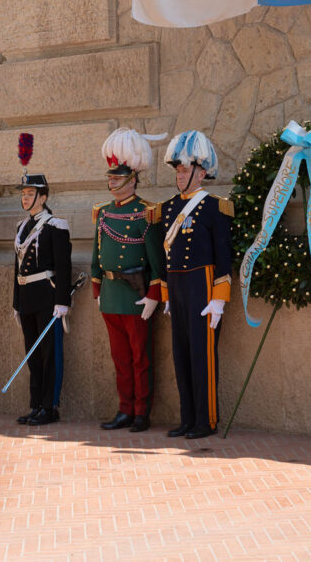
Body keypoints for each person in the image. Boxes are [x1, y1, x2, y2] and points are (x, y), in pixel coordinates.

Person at [157, 130, 233, 440]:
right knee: (181, 354)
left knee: (203, 357)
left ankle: (207, 420)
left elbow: (224, 256)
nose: (179, 175)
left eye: (185, 170)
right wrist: (165, 295)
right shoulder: (169, 208)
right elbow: (165, 257)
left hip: (203, 286)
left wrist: (220, 298)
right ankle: (187, 417)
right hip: (177, 286)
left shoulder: (215, 207)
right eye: (177, 170)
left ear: (200, 173)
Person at [91, 128, 166, 433]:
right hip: (111, 295)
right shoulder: (104, 212)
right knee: (120, 359)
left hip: (136, 297)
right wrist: (97, 288)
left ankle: (141, 412)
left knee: (140, 359)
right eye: (110, 176)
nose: (112, 181)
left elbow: (157, 262)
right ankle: (124, 409)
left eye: (117, 176)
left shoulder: (145, 213)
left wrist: (153, 295)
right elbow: (96, 255)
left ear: (132, 179)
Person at [12, 172, 72, 426]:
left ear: (43, 196)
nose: (25, 198)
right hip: (26, 298)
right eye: (23, 194)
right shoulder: (21, 227)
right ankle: (36, 404)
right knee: (32, 355)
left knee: (49, 354)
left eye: (30, 193)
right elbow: (16, 268)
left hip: (47, 298)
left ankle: (50, 406)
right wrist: (16, 303)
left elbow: (63, 266)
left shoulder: (55, 226)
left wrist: (62, 301)